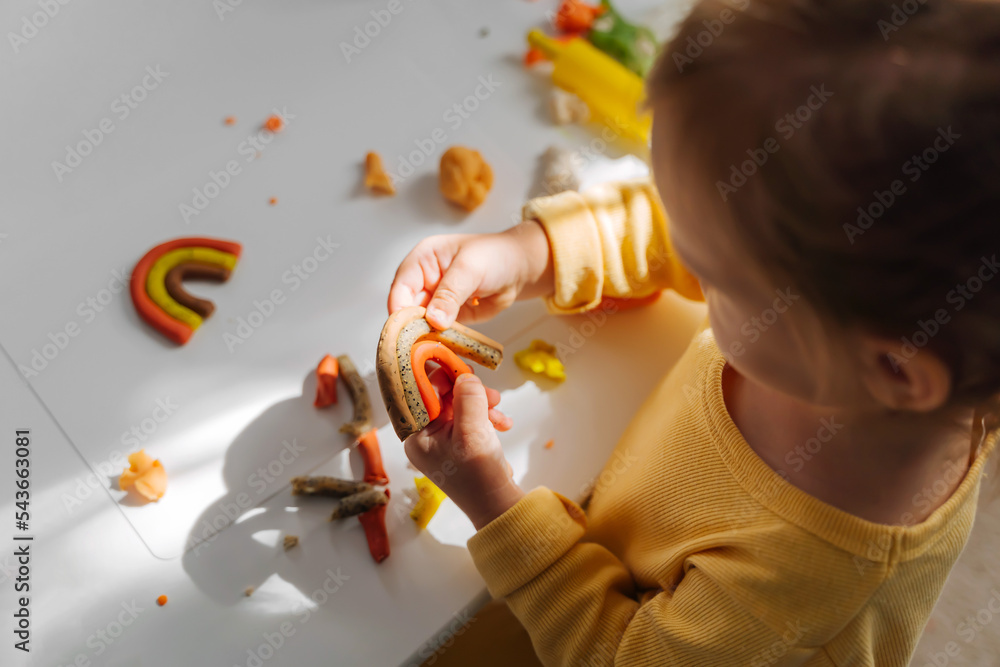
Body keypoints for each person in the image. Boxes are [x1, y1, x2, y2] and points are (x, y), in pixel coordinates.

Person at [388, 1, 1000, 664]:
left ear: (896, 370)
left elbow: (622, 653)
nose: (691, 263)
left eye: (713, 275)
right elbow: (706, 226)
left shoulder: (794, 581)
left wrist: (500, 511)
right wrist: (538, 252)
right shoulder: (852, 327)